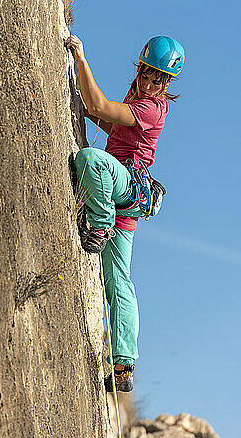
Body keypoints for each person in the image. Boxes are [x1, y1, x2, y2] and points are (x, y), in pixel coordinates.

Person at [65, 34, 185, 393]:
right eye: (146, 74)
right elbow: (115, 125)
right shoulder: (139, 98)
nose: (149, 82)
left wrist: (80, 62)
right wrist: (87, 111)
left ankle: (98, 227)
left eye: (157, 79)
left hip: (123, 186)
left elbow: (102, 106)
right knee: (118, 280)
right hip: (124, 192)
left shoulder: (151, 107)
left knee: (90, 160)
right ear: (141, 68)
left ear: (166, 84)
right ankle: (124, 364)